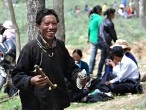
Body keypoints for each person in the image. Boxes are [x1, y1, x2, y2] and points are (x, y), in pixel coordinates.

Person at [12, 8, 87, 110]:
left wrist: (79, 78)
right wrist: (30, 80)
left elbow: (71, 68)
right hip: (36, 104)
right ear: (38, 26)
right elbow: (16, 76)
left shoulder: (60, 46)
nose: (51, 27)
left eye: (54, 24)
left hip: (57, 102)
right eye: (47, 24)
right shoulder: (30, 49)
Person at [98, 8, 117, 78]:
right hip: (106, 42)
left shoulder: (103, 21)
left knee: (102, 58)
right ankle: (106, 74)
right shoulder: (109, 23)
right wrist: (117, 42)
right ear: (111, 14)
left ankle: (99, 74)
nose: (114, 15)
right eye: (114, 14)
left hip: (101, 41)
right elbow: (113, 34)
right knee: (108, 58)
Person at [87, 5, 102, 76]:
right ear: (99, 11)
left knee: (93, 55)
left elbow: (89, 29)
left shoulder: (92, 18)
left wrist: (88, 38)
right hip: (98, 39)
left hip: (92, 39)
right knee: (107, 53)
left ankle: (90, 71)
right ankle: (100, 71)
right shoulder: (99, 18)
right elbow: (102, 28)